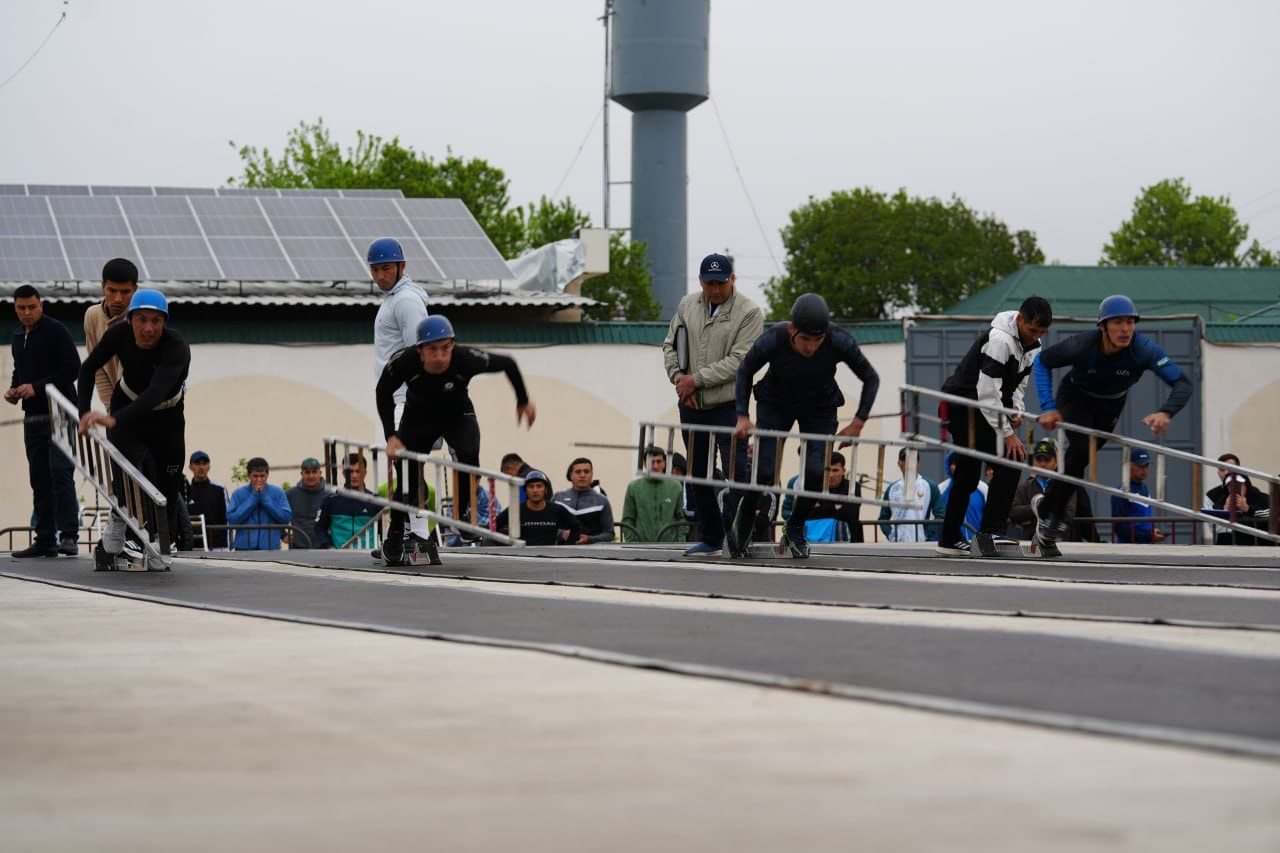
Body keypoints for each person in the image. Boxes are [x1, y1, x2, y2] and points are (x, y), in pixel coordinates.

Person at [1032, 294, 1193, 557]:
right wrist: (1048, 406)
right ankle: (1052, 513)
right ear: (1102, 327)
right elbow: (1042, 361)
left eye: (1130, 322)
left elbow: (1183, 383)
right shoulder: (1082, 344)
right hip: (1075, 397)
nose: (1125, 329)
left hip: (1110, 406)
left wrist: (1166, 412)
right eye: (1117, 322)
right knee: (1081, 450)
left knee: (1079, 459)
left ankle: (1046, 509)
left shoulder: (1144, 350)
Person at [730, 293, 880, 558]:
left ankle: (795, 526)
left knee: (815, 473)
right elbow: (745, 370)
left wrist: (858, 422)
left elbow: (871, 377)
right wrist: (742, 415)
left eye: (817, 340)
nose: (811, 347)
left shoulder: (838, 340)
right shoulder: (774, 338)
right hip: (776, 403)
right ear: (792, 330)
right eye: (805, 340)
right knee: (764, 472)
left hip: (819, 406)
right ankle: (745, 516)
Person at [377, 315, 535, 565]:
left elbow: (508, 363)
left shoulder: (465, 358)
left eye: (445, 348)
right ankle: (395, 534)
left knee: (468, 455)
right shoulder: (405, 362)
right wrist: (391, 436)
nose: (440, 357)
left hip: (457, 415)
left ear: (452, 345)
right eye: (432, 350)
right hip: (419, 418)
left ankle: (461, 514)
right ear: (420, 351)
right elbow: (383, 392)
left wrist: (523, 400)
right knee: (408, 476)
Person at [78, 289, 190, 571]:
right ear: (130, 320)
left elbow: (156, 392)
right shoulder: (118, 334)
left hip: (166, 415)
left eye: (156, 321)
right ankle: (117, 531)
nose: (148, 328)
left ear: (164, 323)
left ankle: (158, 543)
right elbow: (88, 369)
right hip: (126, 405)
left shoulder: (176, 347)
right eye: (141, 320)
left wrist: (116, 419)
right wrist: (82, 414)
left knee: (168, 486)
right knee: (126, 479)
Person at [662, 252, 764, 557]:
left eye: (721, 282)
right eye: (709, 283)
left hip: (729, 405)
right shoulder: (687, 305)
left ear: (732, 279)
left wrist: (696, 380)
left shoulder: (749, 312)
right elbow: (670, 346)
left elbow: (740, 361)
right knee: (697, 472)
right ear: (700, 281)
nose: (715, 289)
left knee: (737, 472)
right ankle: (711, 536)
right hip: (691, 403)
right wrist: (680, 380)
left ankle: (740, 535)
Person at [936, 297, 1053, 557]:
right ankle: (989, 533)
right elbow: (987, 392)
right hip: (964, 405)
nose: (1036, 337)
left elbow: (1019, 384)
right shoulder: (1000, 340)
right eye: (1032, 330)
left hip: (983, 407)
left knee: (967, 474)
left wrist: (1015, 410)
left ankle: (950, 538)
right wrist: (1007, 433)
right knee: (1011, 460)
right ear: (1020, 320)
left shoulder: (1033, 345)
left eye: (1042, 332)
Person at [7, 285, 81, 557]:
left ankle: (69, 534)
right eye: (21, 308)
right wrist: (15, 389)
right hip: (33, 417)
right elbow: (21, 370)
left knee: (60, 472)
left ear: (41, 305)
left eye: (32, 307)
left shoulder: (56, 330)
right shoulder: (17, 335)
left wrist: (37, 388)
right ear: (15, 308)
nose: (27, 313)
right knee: (38, 477)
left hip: (60, 413)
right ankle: (45, 538)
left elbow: (72, 368)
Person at [369, 237, 430, 424]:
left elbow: (419, 354)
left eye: (386, 268)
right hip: (394, 400)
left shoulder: (406, 301)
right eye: (374, 269)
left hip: (405, 403)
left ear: (401, 266)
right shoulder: (393, 298)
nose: (380, 276)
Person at [83, 258, 139, 412]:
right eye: (112, 291)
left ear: (135, 289)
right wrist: (111, 408)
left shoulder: (141, 321)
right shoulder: (92, 315)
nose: (118, 299)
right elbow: (97, 367)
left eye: (125, 292)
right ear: (103, 286)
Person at [782, 451, 863, 543]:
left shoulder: (853, 487)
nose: (831, 475)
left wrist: (821, 507)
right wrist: (836, 507)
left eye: (835, 470)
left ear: (843, 471)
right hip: (816, 541)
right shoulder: (814, 486)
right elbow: (806, 514)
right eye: (827, 470)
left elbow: (852, 513)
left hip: (851, 541)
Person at [1008, 438, 1079, 541]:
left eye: (1047, 460)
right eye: (1039, 460)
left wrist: (1036, 511)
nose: (1042, 464)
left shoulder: (1066, 486)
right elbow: (1013, 512)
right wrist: (1037, 507)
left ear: (1056, 462)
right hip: (1029, 541)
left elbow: (1068, 514)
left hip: (1059, 542)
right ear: (1033, 462)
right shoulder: (1024, 487)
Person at [496, 470, 580, 546]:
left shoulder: (557, 510)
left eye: (539, 486)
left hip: (550, 556)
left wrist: (568, 545)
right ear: (526, 491)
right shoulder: (515, 510)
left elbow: (576, 526)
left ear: (545, 490)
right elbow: (492, 527)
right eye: (531, 487)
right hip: (523, 556)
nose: (535, 490)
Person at [878, 447, 945, 542]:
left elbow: (940, 515)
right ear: (899, 463)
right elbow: (883, 518)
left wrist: (927, 535)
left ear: (918, 463)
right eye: (904, 460)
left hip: (922, 543)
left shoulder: (930, 486)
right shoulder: (892, 489)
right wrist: (891, 534)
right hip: (898, 544)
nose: (908, 464)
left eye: (912, 460)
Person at [317, 453, 382, 550]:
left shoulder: (375, 501)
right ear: (343, 473)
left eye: (358, 471)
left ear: (365, 473)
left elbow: (385, 530)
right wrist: (329, 547)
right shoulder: (331, 500)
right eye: (350, 472)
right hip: (339, 556)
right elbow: (319, 528)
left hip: (368, 555)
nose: (354, 475)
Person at [226, 457, 292, 550]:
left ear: (267, 475)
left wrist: (265, 498)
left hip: (270, 548)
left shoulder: (278, 492)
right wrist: (253, 497)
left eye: (262, 476)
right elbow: (232, 520)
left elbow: (286, 518)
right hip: (244, 548)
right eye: (255, 476)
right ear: (249, 476)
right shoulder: (238, 494)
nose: (259, 480)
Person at [1205, 452, 1270, 546]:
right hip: (1228, 546)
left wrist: (1248, 509)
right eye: (1230, 485)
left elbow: (1273, 514)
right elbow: (1213, 525)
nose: (1234, 488)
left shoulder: (1260, 497)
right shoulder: (1215, 499)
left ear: (1246, 485)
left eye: (1239, 485)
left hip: (1259, 547)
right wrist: (1225, 511)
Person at [622, 446, 685, 542]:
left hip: (669, 547)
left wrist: (680, 542)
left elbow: (682, 518)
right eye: (651, 462)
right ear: (644, 464)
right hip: (641, 547)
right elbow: (627, 519)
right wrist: (632, 543)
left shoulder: (676, 487)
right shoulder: (633, 488)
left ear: (664, 463)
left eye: (659, 462)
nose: (655, 466)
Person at [552, 457, 615, 543]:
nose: (582, 475)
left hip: (592, 550)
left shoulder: (602, 501)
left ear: (591, 475)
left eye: (586, 472)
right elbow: (546, 527)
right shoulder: (558, 498)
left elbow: (609, 534)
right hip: (561, 549)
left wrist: (589, 539)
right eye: (578, 472)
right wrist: (562, 534)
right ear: (571, 475)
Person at [1111, 447, 1164, 544]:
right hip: (1129, 549)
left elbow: (1144, 521)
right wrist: (1148, 535)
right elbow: (1120, 528)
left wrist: (1152, 532)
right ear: (1129, 466)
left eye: (1146, 465)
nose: (1144, 470)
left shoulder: (1144, 488)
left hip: (1146, 546)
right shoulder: (1121, 491)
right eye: (1140, 466)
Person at [938, 452, 987, 544]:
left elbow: (988, 515)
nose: (954, 467)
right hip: (952, 544)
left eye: (957, 463)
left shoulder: (982, 488)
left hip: (977, 543)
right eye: (952, 463)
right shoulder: (941, 489)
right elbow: (934, 518)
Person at [185, 450, 230, 550]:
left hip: (217, 547)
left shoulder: (219, 489)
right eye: (197, 464)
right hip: (193, 547)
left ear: (209, 466)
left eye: (204, 464)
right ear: (191, 467)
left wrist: (227, 546)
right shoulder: (186, 491)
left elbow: (227, 518)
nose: (201, 467)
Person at [285, 457, 328, 550]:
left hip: (324, 547)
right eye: (307, 472)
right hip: (298, 548)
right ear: (302, 474)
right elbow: (277, 515)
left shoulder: (329, 495)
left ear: (320, 473)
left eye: (314, 472)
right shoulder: (290, 494)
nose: (311, 476)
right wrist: (283, 535)